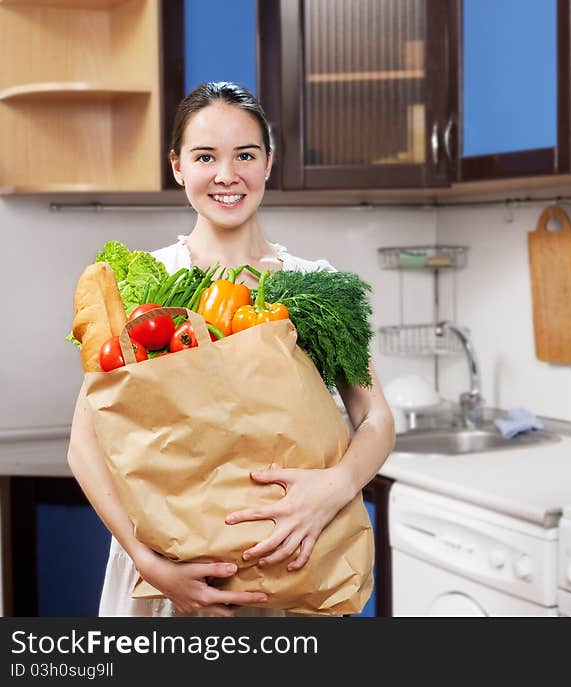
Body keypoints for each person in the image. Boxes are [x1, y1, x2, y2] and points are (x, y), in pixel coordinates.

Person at [67, 82, 395, 617]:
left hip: (294, 563)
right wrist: (150, 566)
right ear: (177, 166)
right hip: (170, 570)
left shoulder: (317, 284)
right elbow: (83, 445)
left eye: (246, 154)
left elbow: (376, 418)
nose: (227, 175)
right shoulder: (144, 282)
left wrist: (333, 487)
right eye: (205, 157)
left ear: (269, 162)